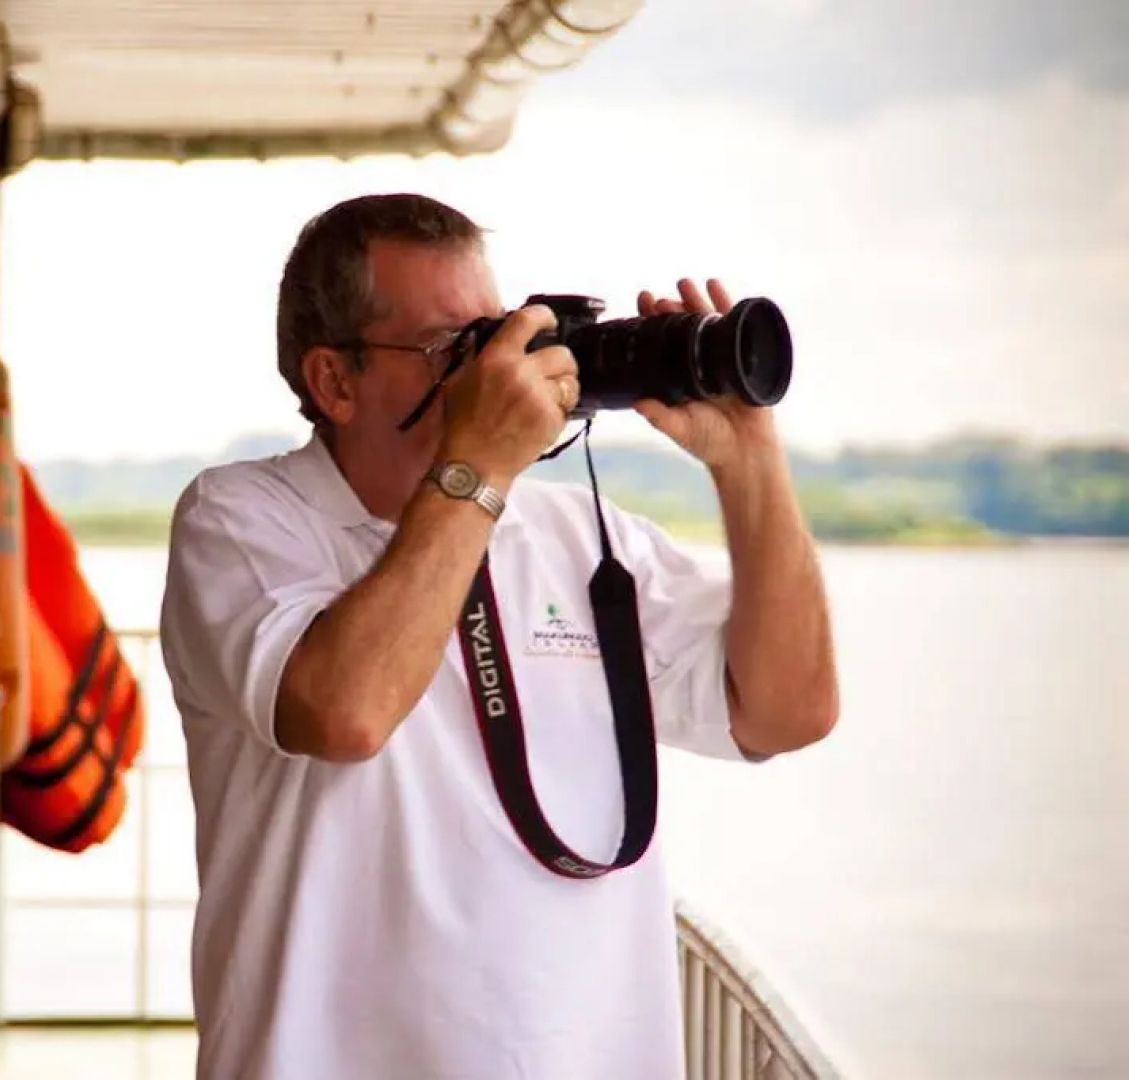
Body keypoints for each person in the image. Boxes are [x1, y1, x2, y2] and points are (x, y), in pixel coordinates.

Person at [158, 193, 838, 1080]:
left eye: (504, 333)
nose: (500, 371)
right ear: (334, 380)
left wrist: (748, 460)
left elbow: (789, 711)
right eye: (457, 348)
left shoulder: (579, 538)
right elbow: (347, 714)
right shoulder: (243, 518)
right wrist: (476, 472)